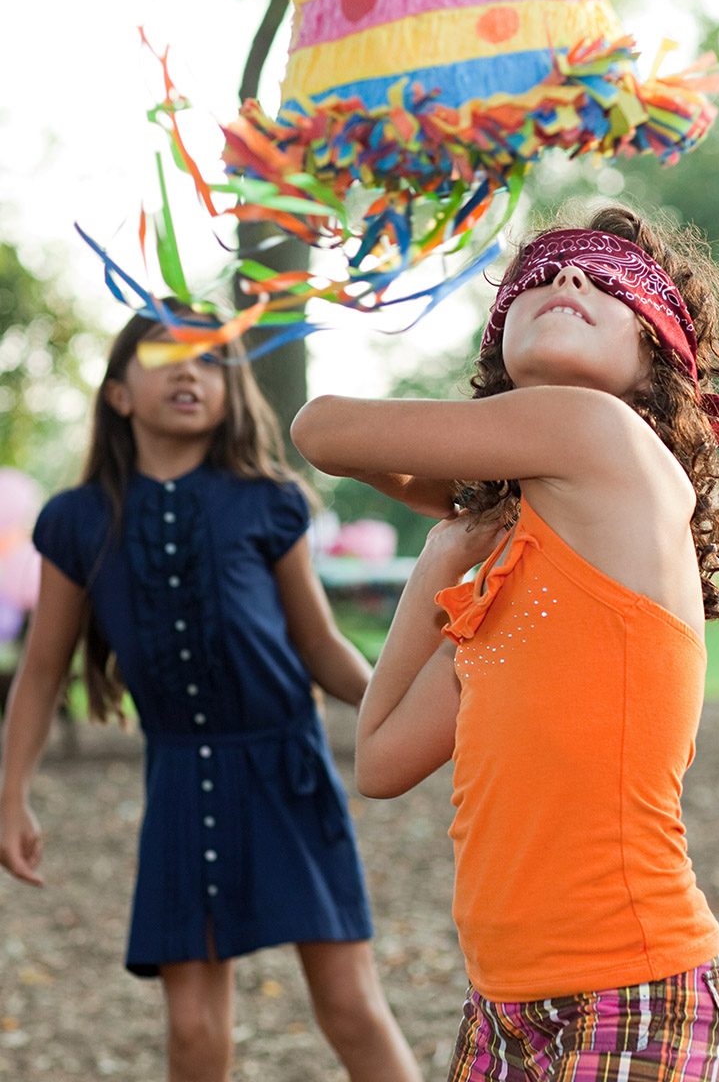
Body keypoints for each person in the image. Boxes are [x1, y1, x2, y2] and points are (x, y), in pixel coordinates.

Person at [290, 205, 719, 1082]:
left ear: (659, 360)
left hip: (633, 990)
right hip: (503, 1005)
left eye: (604, 276)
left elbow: (320, 429)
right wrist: (449, 547)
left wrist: (461, 502)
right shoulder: (509, 579)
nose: (568, 278)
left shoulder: (601, 432)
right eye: (538, 276)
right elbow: (382, 759)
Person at [0, 308, 423, 1082]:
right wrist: (10, 794)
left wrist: (398, 715)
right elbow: (41, 670)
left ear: (233, 389)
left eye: (211, 359)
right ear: (119, 394)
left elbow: (321, 644)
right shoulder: (77, 519)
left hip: (287, 773)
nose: (189, 371)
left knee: (351, 1005)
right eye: (164, 355)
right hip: (179, 782)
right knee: (193, 1028)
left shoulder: (270, 502)